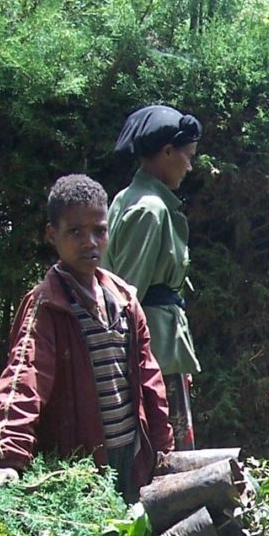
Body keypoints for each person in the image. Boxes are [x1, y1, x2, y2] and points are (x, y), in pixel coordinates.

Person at [0, 174, 174, 502]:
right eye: (75, 232)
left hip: (131, 454)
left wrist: (162, 450)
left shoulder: (124, 300)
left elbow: (149, 380)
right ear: (51, 235)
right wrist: (8, 456)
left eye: (99, 230)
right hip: (78, 466)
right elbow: (23, 376)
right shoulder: (48, 305)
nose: (90, 242)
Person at [105, 104, 203, 450]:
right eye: (187, 156)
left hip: (158, 349)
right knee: (167, 459)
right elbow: (125, 293)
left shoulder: (127, 198)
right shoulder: (150, 208)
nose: (190, 166)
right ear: (166, 152)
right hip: (152, 356)